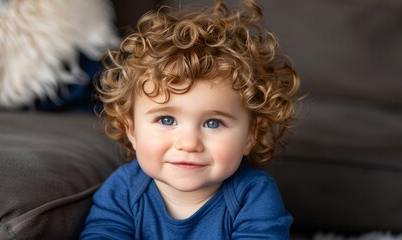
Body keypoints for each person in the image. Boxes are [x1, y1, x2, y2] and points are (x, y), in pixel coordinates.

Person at [80, 0, 300, 238]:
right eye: (166, 120)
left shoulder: (253, 194)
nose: (188, 143)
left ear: (251, 135)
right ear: (131, 130)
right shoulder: (123, 188)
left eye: (212, 123)